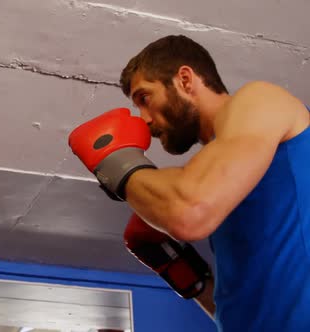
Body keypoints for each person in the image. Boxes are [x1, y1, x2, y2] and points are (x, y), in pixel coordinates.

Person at [69, 34, 310, 331]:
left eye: (145, 98)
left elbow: (188, 213)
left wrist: (117, 163)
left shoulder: (259, 99)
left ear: (185, 79)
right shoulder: (225, 179)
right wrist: (191, 280)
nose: (143, 119)